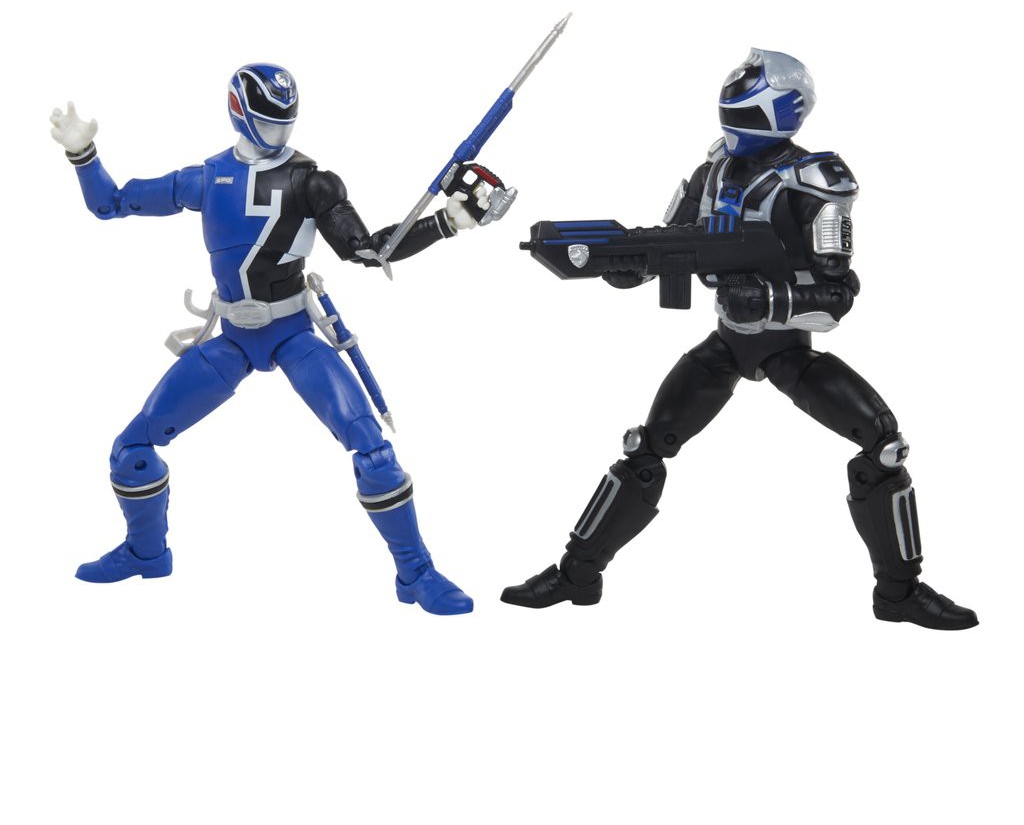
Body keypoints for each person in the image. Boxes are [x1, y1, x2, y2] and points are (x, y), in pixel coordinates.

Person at [501, 48, 977, 629]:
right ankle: (577, 576)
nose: (734, 121)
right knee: (644, 449)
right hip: (726, 344)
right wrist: (631, 265)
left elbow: (838, 295)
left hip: (787, 350)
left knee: (884, 446)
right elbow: (673, 240)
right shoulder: (715, 169)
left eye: (748, 110)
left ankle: (900, 593)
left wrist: (770, 301)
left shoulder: (816, 181)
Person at [51, 63, 494, 615]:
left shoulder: (313, 182)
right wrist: (83, 155)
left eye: (285, 122)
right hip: (233, 339)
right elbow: (111, 204)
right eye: (267, 121)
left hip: (292, 333)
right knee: (131, 452)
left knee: (374, 453)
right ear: (240, 114)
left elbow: (369, 249)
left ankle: (417, 572)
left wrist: (445, 222)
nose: (278, 133)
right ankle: (147, 553)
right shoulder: (206, 177)